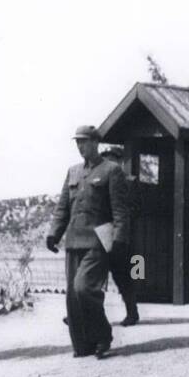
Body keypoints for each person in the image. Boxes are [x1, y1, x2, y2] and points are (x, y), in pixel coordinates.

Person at [46, 125, 130, 359]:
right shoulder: (73, 172)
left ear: (96, 142)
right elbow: (62, 207)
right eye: (77, 142)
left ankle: (103, 335)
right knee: (72, 297)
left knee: (83, 288)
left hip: (98, 241)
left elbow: (120, 211)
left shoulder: (111, 170)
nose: (80, 146)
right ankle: (84, 345)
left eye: (84, 141)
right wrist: (54, 234)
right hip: (73, 241)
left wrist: (119, 240)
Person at [100, 143, 140, 326]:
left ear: (120, 160)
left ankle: (132, 313)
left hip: (121, 236)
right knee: (95, 276)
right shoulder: (102, 180)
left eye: (112, 157)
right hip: (102, 233)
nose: (109, 161)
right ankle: (86, 313)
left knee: (122, 276)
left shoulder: (128, 181)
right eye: (106, 157)